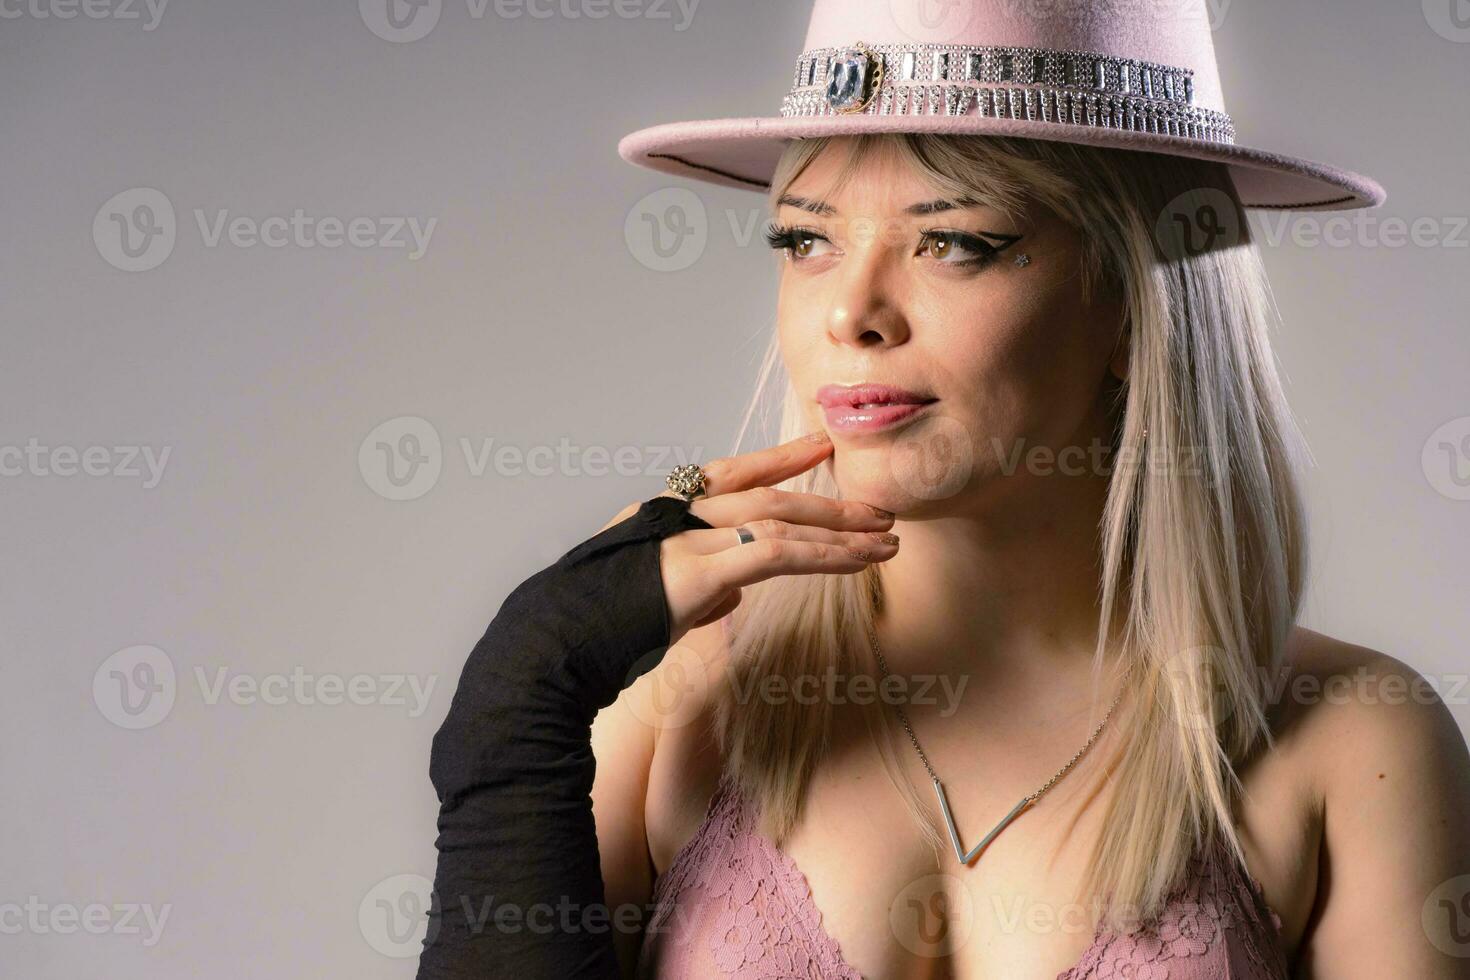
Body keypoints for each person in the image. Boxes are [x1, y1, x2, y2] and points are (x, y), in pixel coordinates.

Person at [417, 2, 1470, 978]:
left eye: (954, 242)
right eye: (808, 239)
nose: (852, 312)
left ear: (1133, 302)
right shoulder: (674, 689)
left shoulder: (1351, 738)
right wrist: (512, 719)